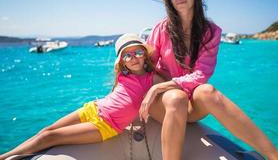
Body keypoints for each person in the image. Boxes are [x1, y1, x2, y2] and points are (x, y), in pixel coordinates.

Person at [139, 0, 278, 160]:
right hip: (165, 103)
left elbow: (201, 74)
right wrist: (155, 89)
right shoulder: (161, 28)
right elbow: (147, 65)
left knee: (207, 91)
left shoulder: (211, 32)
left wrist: (167, 85)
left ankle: (275, 156)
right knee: (176, 97)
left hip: (189, 103)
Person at [0, 33, 164, 160]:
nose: (133, 57)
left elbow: (173, 86)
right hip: (93, 108)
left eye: (137, 52)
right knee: (46, 129)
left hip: (106, 125)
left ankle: (5, 158)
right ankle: (10, 154)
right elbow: (118, 97)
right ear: (123, 62)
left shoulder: (152, 79)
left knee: (49, 137)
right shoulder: (123, 75)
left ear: (144, 54)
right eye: (127, 55)